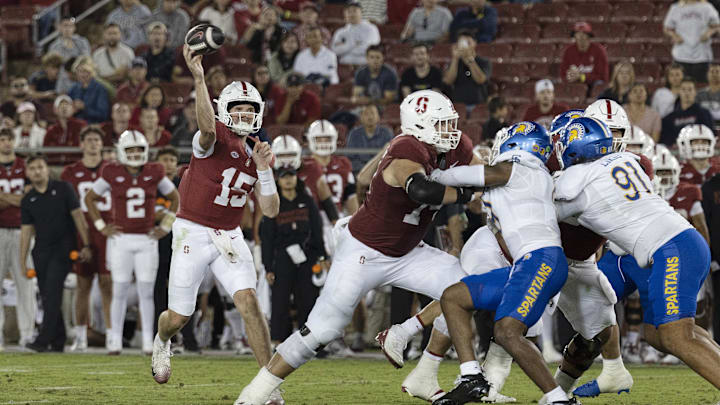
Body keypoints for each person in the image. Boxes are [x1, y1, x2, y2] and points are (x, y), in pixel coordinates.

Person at [236, 89, 480, 405]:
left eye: (450, 123)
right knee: (323, 330)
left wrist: (489, 180)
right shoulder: (406, 147)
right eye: (441, 124)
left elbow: (480, 172)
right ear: (419, 126)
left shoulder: (457, 145)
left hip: (407, 251)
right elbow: (422, 190)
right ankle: (254, 394)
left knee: (464, 292)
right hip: (364, 251)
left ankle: (427, 373)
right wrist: (466, 194)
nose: (450, 131)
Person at [151, 45, 282, 405]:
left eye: (249, 108)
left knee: (249, 301)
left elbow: (270, 210)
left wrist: (266, 170)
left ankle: (268, 384)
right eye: (237, 107)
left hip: (229, 235)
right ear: (225, 109)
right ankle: (162, 341)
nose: (243, 114)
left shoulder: (260, 149)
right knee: (178, 317)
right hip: (192, 229)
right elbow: (207, 128)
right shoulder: (212, 138)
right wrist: (198, 77)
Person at [554, 115, 720, 392]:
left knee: (675, 335)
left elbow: (554, 203)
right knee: (657, 334)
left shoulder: (574, 178)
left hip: (671, 248)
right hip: (683, 241)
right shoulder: (625, 160)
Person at [425, 121, 570, 405]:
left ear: (518, 145)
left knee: (506, 331)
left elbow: (482, 174)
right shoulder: (524, 179)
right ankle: (471, 378)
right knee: (453, 297)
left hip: (540, 260)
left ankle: (558, 399)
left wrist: (436, 175)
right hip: (528, 264)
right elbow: (484, 202)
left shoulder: (523, 167)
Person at [85, 130, 179, 355]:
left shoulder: (154, 171)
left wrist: (165, 226)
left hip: (147, 239)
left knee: (146, 292)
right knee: (119, 289)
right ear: (121, 151)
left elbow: (176, 197)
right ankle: (114, 338)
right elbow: (90, 198)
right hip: (121, 238)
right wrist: (101, 226)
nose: (135, 154)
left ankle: (149, 340)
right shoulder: (111, 171)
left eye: (139, 149)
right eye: (130, 149)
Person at [21, 154, 92, 352]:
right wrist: (22, 261)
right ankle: (58, 339)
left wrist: (86, 244)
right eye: (32, 168)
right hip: (40, 252)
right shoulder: (27, 199)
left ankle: (43, 339)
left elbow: (78, 217)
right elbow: (26, 233)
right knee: (47, 295)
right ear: (27, 173)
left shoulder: (63, 189)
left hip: (63, 250)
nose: (37, 171)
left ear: (47, 169)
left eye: (40, 167)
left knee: (52, 293)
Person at [262, 140, 326, 343]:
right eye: (284, 177)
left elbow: (317, 229)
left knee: (308, 299)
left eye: (290, 176)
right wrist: (267, 266)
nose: (288, 181)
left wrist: (322, 255)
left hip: (307, 254)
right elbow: (267, 236)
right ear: (278, 180)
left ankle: (309, 342)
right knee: (280, 300)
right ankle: (279, 342)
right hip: (282, 257)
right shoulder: (274, 204)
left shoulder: (307, 201)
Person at [60, 126, 114, 352]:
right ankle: (80, 336)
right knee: (82, 285)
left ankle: (113, 335)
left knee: (107, 284)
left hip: (108, 232)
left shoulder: (113, 169)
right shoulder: (70, 172)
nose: (93, 143)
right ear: (81, 144)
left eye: (96, 140)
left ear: (102, 144)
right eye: (89, 140)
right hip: (81, 232)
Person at [0, 129, 36, 351]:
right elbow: (22, 197)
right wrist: (17, 199)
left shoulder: (24, 166)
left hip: (23, 230)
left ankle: (27, 333)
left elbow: (30, 198)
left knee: (26, 283)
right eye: (2, 139)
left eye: (8, 139)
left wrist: (5, 198)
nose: (6, 143)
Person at [305, 120, 359, 217]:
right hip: (310, 219)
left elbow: (351, 198)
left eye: (327, 139)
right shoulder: (303, 165)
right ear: (310, 140)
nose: (323, 143)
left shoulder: (343, 164)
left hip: (337, 218)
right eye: (319, 139)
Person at [663, 0, 720, 84]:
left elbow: (717, 25)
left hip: (702, 56)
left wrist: (709, 33)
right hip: (681, 55)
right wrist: (674, 35)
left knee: (702, 87)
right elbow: (667, 28)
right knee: (682, 89)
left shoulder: (707, 7)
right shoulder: (676, 8)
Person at [442, 31, 491, 112]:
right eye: (462, 42)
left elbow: (480, 80)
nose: (465, 46)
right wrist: (455, 58)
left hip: (478, 105)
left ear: (475, 43)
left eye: (468, 42)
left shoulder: (484, 62)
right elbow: (448, 81)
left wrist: (470, 59)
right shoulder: (453, 63)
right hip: (457, 106)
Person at [660, 79, 714, 146]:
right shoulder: (669, 118)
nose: (687, 93)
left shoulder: (704, 114)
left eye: (690, 90)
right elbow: (666, 141)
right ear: (679, 92)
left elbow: (710, 136)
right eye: (683, 89)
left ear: (695, 92)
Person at [345, 104, 394, 172]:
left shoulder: (387, 133)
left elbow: (390, 157)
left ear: (378, 117)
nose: (370, 117)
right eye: (366, 114)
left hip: (381, 171)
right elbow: (350, 158)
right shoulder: (354, 134)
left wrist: (374, 169)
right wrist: (366, 170)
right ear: (361, 117)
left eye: (372, 113)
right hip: (359, 171)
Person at [330, 1, 380, 66]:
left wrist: (345, 47)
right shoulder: (340, 32)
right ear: (344, 15)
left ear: (361, 13)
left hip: (365, 64)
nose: (351, 14)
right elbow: (335, 50)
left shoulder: (371, 28)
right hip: (345, 65)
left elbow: (369, 49)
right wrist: (354, 44)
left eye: (354, 11)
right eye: (348, 12)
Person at [560, 22, 609, 88]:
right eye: (578, 34)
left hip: (593, 85)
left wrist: (582, 77)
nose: (581, 37)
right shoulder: (569, 51)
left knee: (599, 84)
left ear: (589, 36)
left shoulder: (599, 50)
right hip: (574, 83)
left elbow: (603, 76)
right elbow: (563, 74)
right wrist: (569, 76)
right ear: (574, 36)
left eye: (584, 34)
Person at [68, 59, 111, 124]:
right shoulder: (73, 88)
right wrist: (72, 109)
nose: (82, 74)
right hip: (75, 124)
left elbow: (103, 115)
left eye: (86, 71)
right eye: (80, 71)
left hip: (93, 125)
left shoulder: (100, 89)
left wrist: (84, 108)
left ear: (92, 72)